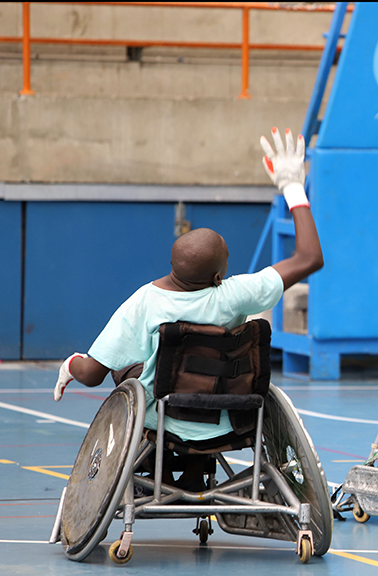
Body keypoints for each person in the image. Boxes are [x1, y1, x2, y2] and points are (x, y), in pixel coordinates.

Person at [53, 127, 323, 452]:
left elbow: (93, 373)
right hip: (231, 418)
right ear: (218, 277)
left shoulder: (144, 303)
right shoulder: (236, 293)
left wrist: (72, 365)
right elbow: (309, 257)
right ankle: (195, 473)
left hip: (164, 422)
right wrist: (293, 187)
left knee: (127, 367)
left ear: (171, 262)